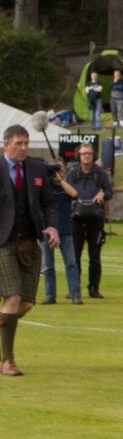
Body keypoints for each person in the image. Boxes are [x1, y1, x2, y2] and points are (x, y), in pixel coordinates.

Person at [1, 126, 59, 376]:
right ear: (6, 144)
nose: (24, 148)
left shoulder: (35, 168)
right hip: (2, 243)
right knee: (12, 298)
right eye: (18, 143)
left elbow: (50, 202)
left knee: (25, 304)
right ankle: (8, 361)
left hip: (30, 244)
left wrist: (53, 226)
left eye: (26, 143)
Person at [66, 142, 113, 299]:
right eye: (83, 153)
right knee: (75, 255)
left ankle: (94, 288)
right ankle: (74, 288)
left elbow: (109, 191)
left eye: (89, 153)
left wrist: (103, 195)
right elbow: (65, 190)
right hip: (76, 219)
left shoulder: (101, 173)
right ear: (78, 155)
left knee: (95, 256)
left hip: (95, 219)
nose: (86, 156)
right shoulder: (72, 173)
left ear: (93, 155)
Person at [39, 157, 82, 305]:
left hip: (65, 229)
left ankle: (75, 294)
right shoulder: (45, 186)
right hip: (47, 229)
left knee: (71, 263)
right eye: (56, 168)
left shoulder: (66, 185)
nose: (59, 171)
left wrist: (60, 180)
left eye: (61, 168)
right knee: (48, 265)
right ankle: (50, 295)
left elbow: (75, 194)